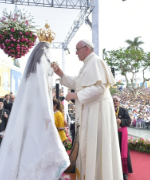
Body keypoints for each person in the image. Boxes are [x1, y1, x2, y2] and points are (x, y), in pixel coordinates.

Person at [0, 38, 69, 180]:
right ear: (44, 51)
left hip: (30, 111)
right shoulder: (41, 63)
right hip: (39, 111)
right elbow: (43, 91)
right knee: (38, 143)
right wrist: (47, 114)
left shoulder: (33, 67)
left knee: (29, 142)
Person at [53, 39, 123, 180]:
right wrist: (61, 74)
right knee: (89, 148)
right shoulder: (87, 65)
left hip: (97, 113)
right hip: (89, 112)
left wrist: (76, 95)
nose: (76, 53)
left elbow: (100, 88)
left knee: (96, 149)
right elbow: (78, 83)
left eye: (78, 50)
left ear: (86, 49)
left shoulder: (96, 62)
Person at [113, 96, 133, 180]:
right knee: (113, 151)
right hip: (112, 133)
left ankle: (124, 172)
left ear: (119, 102)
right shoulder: (108, 110)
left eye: (116, 101)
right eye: (113, 101)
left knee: (123, 151)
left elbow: (129, 121)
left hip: (121, 133)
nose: (115, 102)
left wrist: (121, 121)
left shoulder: (123, 110)